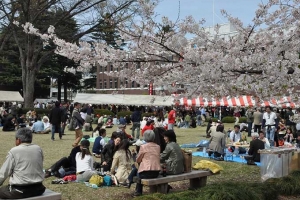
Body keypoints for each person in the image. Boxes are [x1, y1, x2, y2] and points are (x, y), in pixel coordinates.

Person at [0, 128, 45, 199]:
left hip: (20, 190)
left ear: (18, 140)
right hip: (39, 189)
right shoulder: (38, 149)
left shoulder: (14, 151)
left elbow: (3, 173)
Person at [133, 130, 161, 197]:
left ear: (145, 137)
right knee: (138, 172)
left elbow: (138, 160)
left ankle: (138, 192)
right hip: (156, 172)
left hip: (146, 172)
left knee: (138, 173)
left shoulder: (143, 147)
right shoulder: (158, 147)